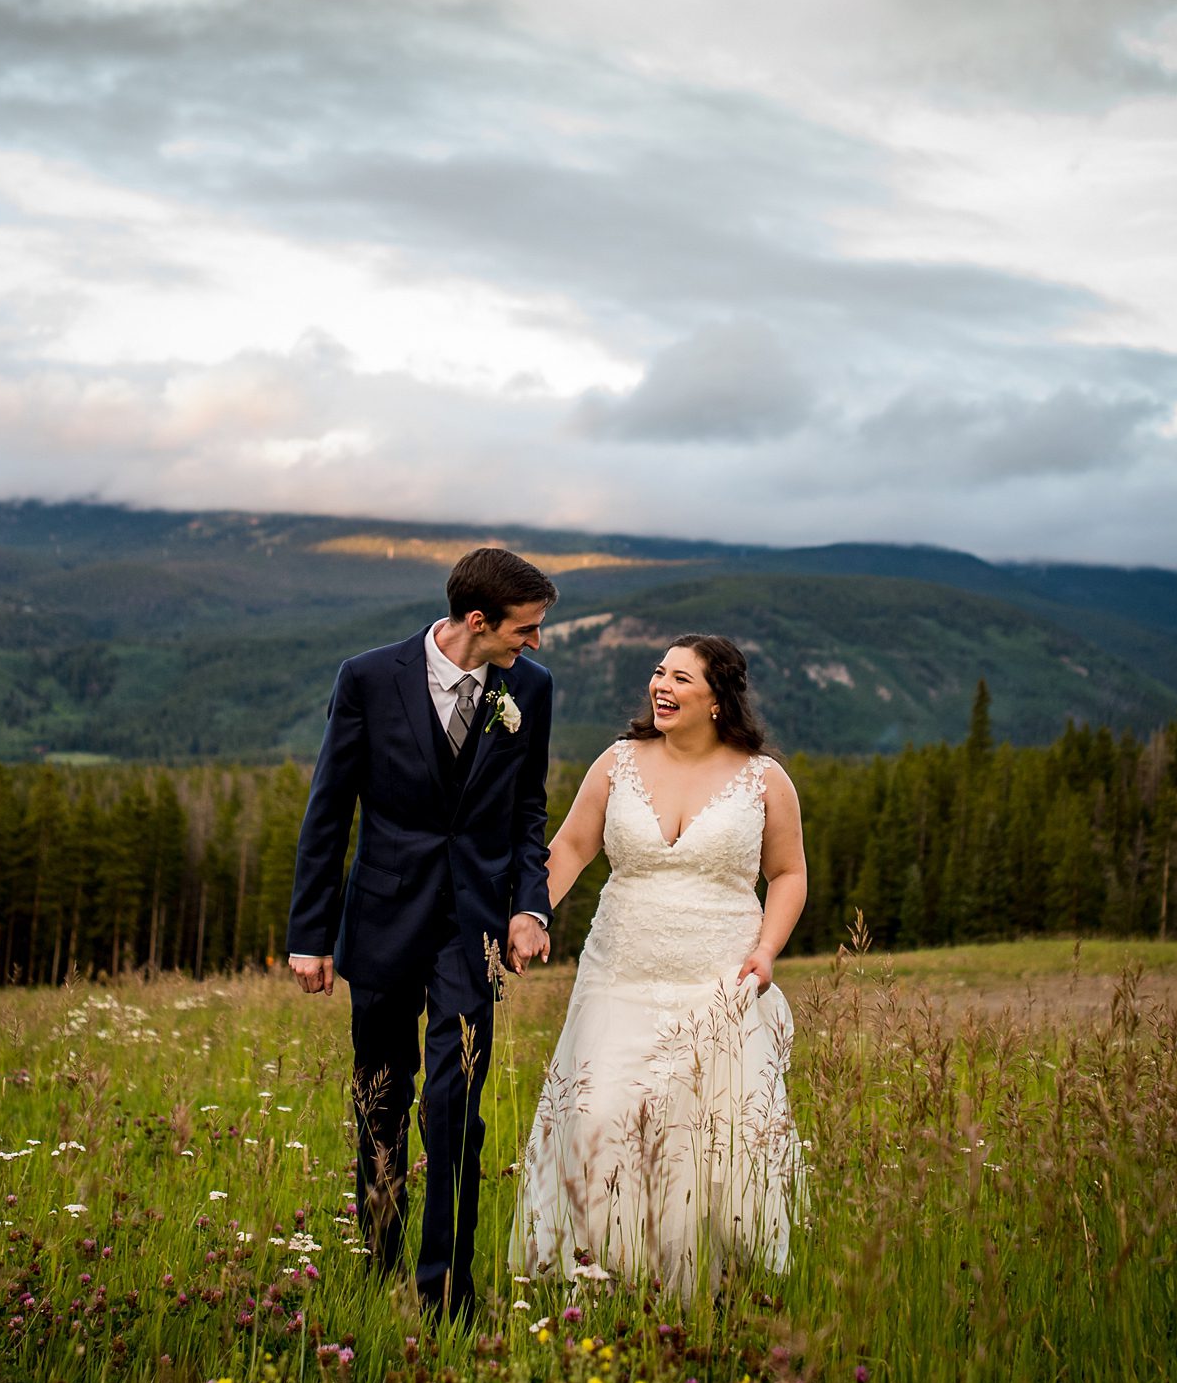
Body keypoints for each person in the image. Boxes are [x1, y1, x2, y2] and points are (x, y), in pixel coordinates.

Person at [285, 545, 558, 1323]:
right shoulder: (368, 677)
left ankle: (446, 1292)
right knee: (380, 1100)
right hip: (380, 915)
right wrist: (311, 933)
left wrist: (528, 906)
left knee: (456, 1106)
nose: (533, 644)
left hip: (470, 928)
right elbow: (329, 810)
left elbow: (529, 811)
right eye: (525, 629)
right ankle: (379, 1270)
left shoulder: (529, 691)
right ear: (479, 621)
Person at [510, 634, 807, 1292]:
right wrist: (530, 917)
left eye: (681, 678)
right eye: (658, 672)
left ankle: (695, 1289)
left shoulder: (764, 779)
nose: (661, 686)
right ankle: (602, 1276)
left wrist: (766, 950)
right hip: (618, 972)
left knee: (703, 1142)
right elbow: (569, 849)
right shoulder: (617, 763)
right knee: (599, 1115)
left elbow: (787, 874)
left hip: (720, 980)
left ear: (718, 700)